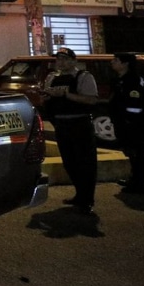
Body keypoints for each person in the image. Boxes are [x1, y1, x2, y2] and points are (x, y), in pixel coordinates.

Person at [41, 47, 100, 214]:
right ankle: (80, 194)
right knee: (69, 162)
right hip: (61, 124)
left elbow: (91, 100)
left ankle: (87, 199)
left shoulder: (84, 77)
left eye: (65, 59)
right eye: (58, 59)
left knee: (85, 163)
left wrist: (67, 95)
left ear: (74, 61)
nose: (61, 62)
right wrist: (46, 97)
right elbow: (46, 100)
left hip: (80, 124)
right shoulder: (52, 77)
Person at [109, 52, 144, 196]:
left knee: (137, 153)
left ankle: (141, 184)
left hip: (134, 124)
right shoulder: (122, 79)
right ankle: (135, 179)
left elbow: (135, 105)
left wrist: (128, 121)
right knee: (133, 153)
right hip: (127, 123)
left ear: (125, 63)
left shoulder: (132, 80)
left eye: (116, 60)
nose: (112, 63)